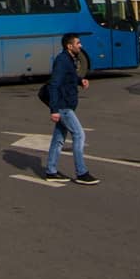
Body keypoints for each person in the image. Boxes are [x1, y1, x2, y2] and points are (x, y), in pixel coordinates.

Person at [43, 33, 99, 185]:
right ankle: (82, 173)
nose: (81, 46)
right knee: (79, 135)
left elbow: (68, 78)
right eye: (78, 43)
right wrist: (54, 110)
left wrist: (80, 81)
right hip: (63, 106)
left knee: (58, 139)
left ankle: (51, 171)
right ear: (69, 46)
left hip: (66, 104)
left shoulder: (69, 59)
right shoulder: (62, 60)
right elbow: (54, 85)